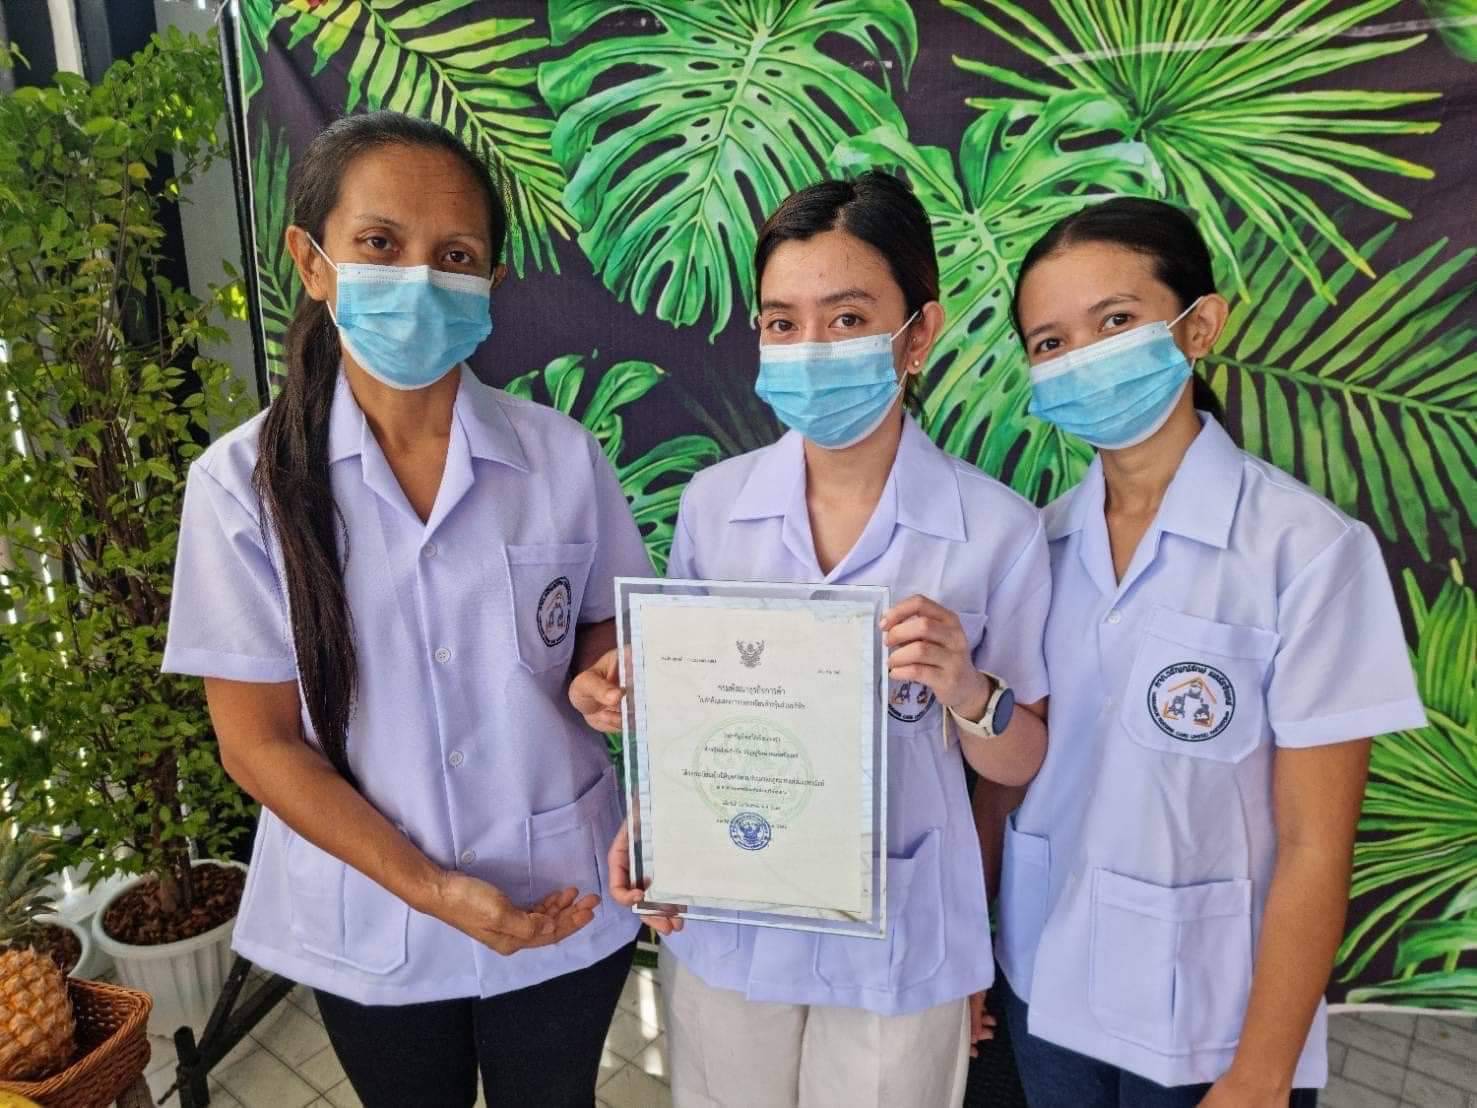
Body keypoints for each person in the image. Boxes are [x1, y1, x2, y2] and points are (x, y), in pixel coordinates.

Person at [162, 112, 653, 1107]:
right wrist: (426, 886)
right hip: (370, 910)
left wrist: (603, 670)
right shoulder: (239, 487)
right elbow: (256, 742)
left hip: (556, 888)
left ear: (491, 282)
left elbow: (598, 621)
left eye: (455, 255)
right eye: (380, 244)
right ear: (313, 261)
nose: (420, 279)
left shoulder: (561, 458)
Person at [571, 171, 1052, 1108]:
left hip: (899, 924)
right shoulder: (716, 504)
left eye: (847, 318)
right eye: (782, 323)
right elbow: (689, 723)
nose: (811, 349)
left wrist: (967, 691)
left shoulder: (996, 529)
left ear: (918, 333)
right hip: (730, 904)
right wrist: (649, 810)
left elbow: (1020, 759)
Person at [993, 197, 1427, 1108]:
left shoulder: (1304, 551)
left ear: (1198, 327)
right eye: (1050, 342)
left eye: (1115, 321)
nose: (1083, 358)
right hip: (1043, 981)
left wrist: (1260, 1072)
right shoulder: (1036, 544)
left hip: (1209, 1016)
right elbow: (1010, 773)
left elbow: (1315, 843)